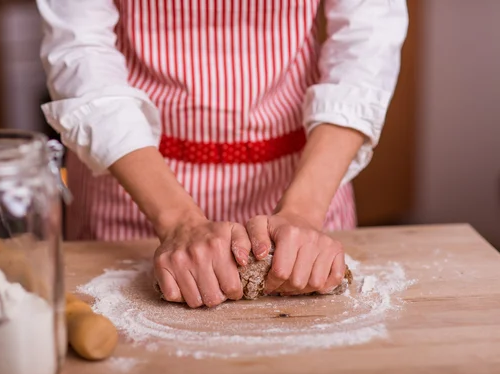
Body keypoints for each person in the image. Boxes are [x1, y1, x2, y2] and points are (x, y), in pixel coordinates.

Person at [36, 0, 408, 308]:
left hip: (306, 179)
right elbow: (81, 47)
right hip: (130, 184)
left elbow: (367, 42)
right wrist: (178, 220)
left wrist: (304, 214)